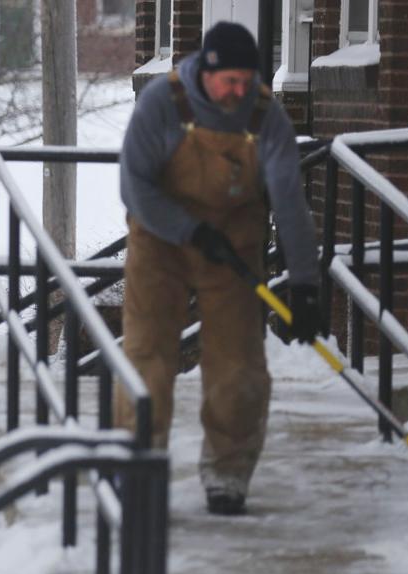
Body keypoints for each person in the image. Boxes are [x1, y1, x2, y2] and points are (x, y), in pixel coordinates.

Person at [117, 21, 321, 515]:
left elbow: (290, 201)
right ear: (204, 73)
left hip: (233, 242)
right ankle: (139, 471)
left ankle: (228, 473)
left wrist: (305, 284)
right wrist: (189, 230)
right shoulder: (162, 104)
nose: (238, 91)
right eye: (228, 81)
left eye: (245, 81)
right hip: (160, 239)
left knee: (238, 363)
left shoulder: (265, 115)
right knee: (148, 358)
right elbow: (134, 187)